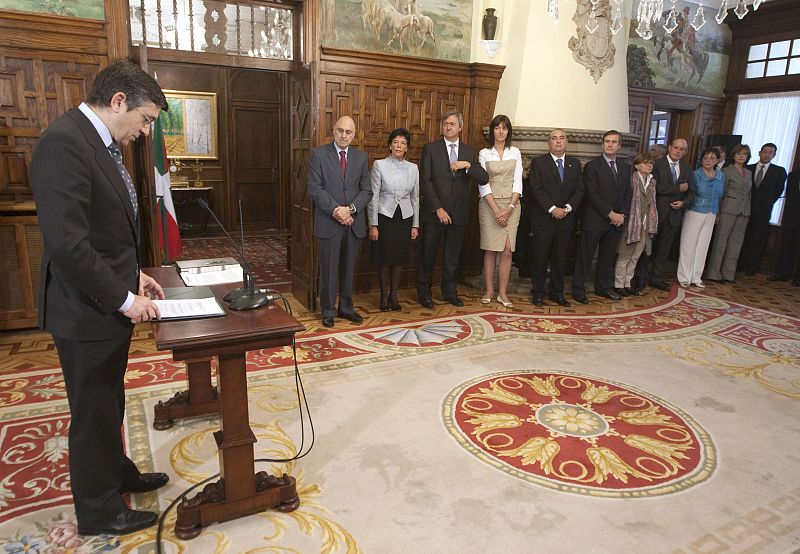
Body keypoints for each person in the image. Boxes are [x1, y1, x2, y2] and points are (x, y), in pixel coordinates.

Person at [30, 59, 168, 536]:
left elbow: (106, 231)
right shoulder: (64, 143)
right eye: (145, 118)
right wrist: (125, 300)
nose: (146, 131)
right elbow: (69, 245)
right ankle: (98, 510)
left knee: (110, 399)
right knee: (91, 412)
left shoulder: (100, 144)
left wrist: (137, 276)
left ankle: (117, 474)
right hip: (84, 308)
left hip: (106, 300)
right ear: (117, 102)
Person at [416, 110, 489, 308]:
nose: (448, 126)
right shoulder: (430, 148)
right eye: (445, 123)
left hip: (459, 214)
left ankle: (449, 292)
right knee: (428, 255)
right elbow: (426, 181)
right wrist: (438, 208)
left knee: (452, 256)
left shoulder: (469, 152)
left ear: (460, 128)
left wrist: (467, 165)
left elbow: (483, 178)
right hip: (435, 214)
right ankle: (424, 293)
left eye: (452, 124)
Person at [308, 115, 373, 327]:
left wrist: (350, 210)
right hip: (329, 222)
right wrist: (337, 210)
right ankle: (327, 310)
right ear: (333, 131)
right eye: (340, 130)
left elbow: (367, 190)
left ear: (354, 135)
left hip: (353, 223)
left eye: (348, 132)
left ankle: (346, 307)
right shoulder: (318, 154)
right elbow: (315, 189)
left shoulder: (361, 157)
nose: (344, 135)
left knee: (348, 268)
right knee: (328, 270)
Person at [525, 128, 584, 307]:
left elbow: (580, 190)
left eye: (562, 138)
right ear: (548, 143)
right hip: (544, 219)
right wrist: (552, 209)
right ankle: (538, 293)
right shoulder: (539, 163)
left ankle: (556, 293)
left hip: (566, 219)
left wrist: (566, 208)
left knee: (560, 258)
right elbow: (535, 189)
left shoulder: (575, 164)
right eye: (554, 138)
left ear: (566, 142)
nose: (558, 141)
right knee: (540, 258)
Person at [572, 130, 629, 304]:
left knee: (607, 257)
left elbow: (627, 194)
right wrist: (610, 213)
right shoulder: (592, 166)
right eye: (607, 142)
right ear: (602, 144)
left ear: (619, 145)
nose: (610, 145)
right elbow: (592, 193)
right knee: (585, 257)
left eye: (614, 142)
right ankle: (578, 290)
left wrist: (621, 215)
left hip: (616, 222)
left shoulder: (626, 167)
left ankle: (603, 288)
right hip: (595, 219)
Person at [368, 128, 419, 311]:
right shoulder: (379, 165)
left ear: (407, 148)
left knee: (398, 259)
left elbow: (415, 197)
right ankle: (383, 296)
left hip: (404, 217)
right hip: (384, 216)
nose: (399, 146)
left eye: (403, 143)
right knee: (384, 258)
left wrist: (415, 225)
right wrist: (373, 224)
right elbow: (373, 196)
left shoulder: (413, 168)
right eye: (396, 142)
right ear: (390, 145)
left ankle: (394, 296)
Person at [477, 114, 522, 308]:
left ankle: (502, 293)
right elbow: (482, 183)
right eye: (497, 128)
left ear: (508, 131)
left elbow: (518, 181)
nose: (501, 131)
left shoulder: (516, 152)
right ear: (492, 131)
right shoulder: (484, 153)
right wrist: (496, 210)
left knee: (506, 250)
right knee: (490, 248)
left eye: (504, 128)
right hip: (489, 205)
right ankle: (489, 290)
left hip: (512, 206)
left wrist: (510, 208)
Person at [649, 138, 695, 290]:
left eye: (682, 149)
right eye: (675, 148)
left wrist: (684, 203)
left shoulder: (687, 168)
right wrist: (677, 190)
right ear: (670, 147)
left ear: (685, 152)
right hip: (655, 213)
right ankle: (641, 278)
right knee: (648, 248)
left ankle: (656, 278)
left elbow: (691, 192)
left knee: (664, 249)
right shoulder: (656, 164)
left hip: (674, 215)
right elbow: (655, 187)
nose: (678, 151)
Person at [677, 147, 725, 288]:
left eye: (711, 158)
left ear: (717, 160)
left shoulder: (721, 175)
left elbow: (720, 195)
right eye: (705, 158)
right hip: (695, 211)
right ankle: (684, 276)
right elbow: (691, 193)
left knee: (703, 246)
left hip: (712, 212)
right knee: (688, 245)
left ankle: (696, 277)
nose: (708, 160)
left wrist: (717, 213)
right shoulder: (695, 174)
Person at [706, 144, 752, 283]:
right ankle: (713, 273)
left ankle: (728, 273)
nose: (741, 156)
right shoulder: (726, 171)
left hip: (744, 211)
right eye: (738, 153)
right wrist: (718, 212)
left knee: (736, 244)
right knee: (721, 241)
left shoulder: (749, 173)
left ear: (747, 157)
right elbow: (721, 193)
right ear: (733, 155)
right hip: (727, 209)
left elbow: (749, 193)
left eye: (744, 154)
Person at [614, 153, 658, 296]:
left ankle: (628, 283)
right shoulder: (632, 180)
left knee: (636, 256)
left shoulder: (652, 181)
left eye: (650, 163)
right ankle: (618, 284)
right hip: (632, 224)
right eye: (645, 163)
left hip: (645, 224)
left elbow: (652, 203)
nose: (649, 165)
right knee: (625, 256)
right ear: (637, 166)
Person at [740, 142, 788, 275]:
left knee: (757, 240)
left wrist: (766, 204)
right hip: (744, 210)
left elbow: (778, 191)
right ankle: (739, 265)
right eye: (765, 151)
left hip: (763, 212)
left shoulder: (779, 171)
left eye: (770, 152)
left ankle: (751, 268)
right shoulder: (748, 168)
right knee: (742, 239)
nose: (767, 154)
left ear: (774, 155)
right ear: (759, 152)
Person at [769, 169, 800, 285]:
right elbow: (790, 196)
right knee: (786, 246)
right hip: (791, 217)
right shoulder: (793, 175)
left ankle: (798, 278)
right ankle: (782, 273)